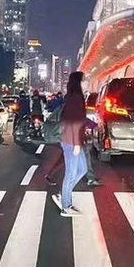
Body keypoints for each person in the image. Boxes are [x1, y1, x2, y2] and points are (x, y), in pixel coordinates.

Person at [51, 72, 88, 217]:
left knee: (82, 169)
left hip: (73, 140)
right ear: (78, 83)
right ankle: (66, 206)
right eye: (84, 80)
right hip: (71, 141)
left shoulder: (75, 98)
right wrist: (77, 143)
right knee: (71, 173)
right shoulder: (75, 99)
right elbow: (73, 123)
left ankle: (63, 194)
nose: (86, 82)